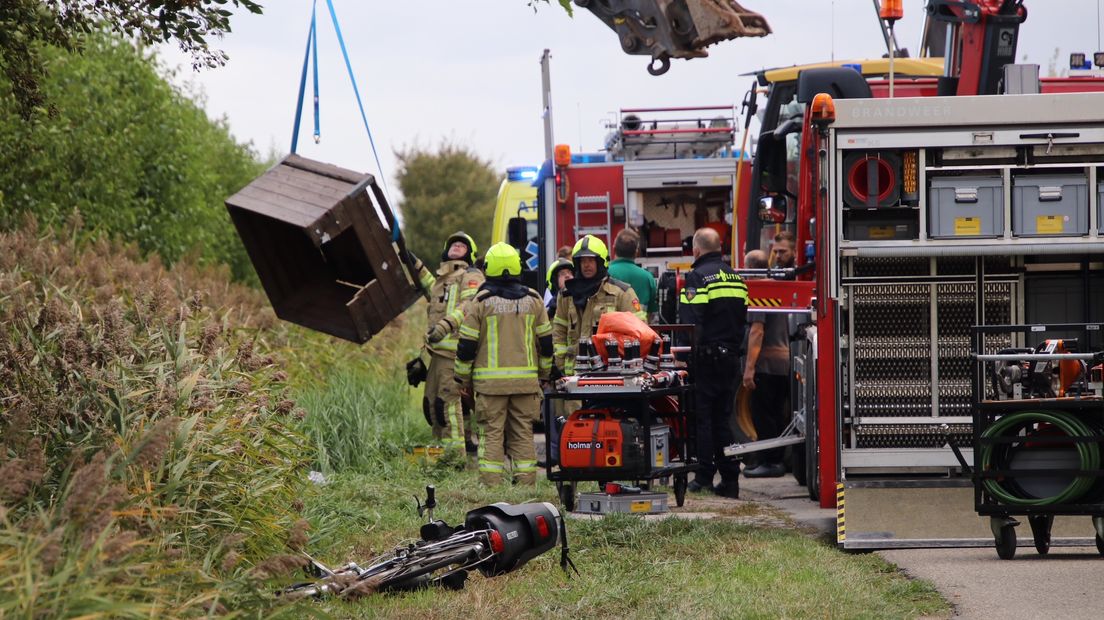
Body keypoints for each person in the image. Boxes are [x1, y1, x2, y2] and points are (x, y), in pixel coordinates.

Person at [454, 243, 552, 485]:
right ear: (517, 267)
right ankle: (526, 486)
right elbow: (547, 344)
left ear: (489, 269)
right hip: (525, 385)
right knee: (522, 435)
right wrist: (545, 374)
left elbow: (466, 346)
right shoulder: (534, 300)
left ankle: (491, 488)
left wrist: (462, 380)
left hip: (490, 387)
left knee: (491, 435)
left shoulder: (481, 301)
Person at [679, 227, 748, 498]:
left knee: (703, 419)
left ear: (696, 250)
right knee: (723, 420)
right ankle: (730, 480)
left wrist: (685, 359)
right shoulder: (737, 278)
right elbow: (742, 319)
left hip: (706, 359)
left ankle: (704, 476)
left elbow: (690, 323)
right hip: (731, 358)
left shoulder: (697, 277)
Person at [413, 232, 485, 456]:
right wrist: (413, 262)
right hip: (436, 354)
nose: (456, 246)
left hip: (454, 353)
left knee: (447, 405)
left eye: (462, 245)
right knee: (432, 405)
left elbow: (469, 305)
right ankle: (441, 454)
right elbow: (428, 284)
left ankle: (455, 459)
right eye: (453, 243)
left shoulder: (470, 275)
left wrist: (444, 326)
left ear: (470, 254)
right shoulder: (442, 280)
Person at [741, 231, 795, 478]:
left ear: (749, 268)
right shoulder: (779, 289)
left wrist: (749, 368)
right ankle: (775, 460)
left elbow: (757, 331)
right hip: (784, 363)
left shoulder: (760, 292)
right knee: (777, 414)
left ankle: (770, 463)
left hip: (767, 365)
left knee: (763, 415)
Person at [551, 235, 644, 377]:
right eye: (582, 261)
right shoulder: (566, 295)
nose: (586, 265)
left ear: (601, 262)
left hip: (609, 376)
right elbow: (559, 331)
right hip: (573, 375)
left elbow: (639, 332)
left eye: (590, 260)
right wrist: (560, 365)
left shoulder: (622, 293)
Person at [607, 229, 659, 321]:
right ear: (636, 252)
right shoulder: (648, 278)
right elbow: (650, 314)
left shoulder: (605, 273)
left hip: (611, 332)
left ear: (614, 248)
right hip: (639, 332)